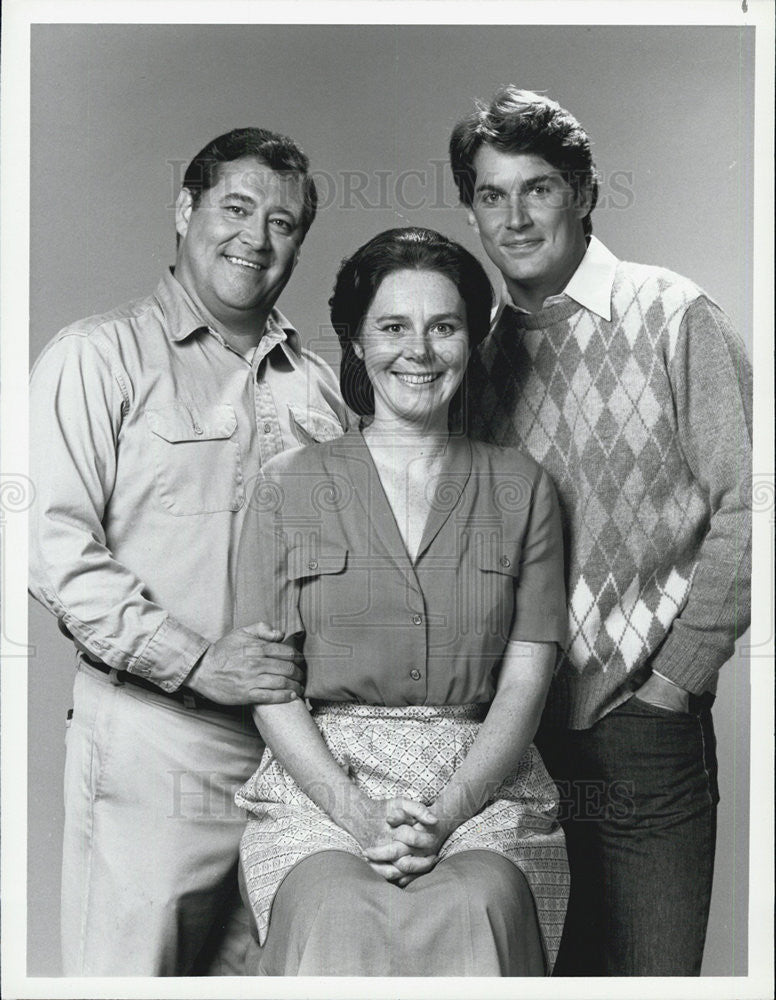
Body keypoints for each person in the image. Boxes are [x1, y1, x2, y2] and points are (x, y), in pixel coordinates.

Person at [28, 127, 350, 976]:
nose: (256, 236)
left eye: (282, 223)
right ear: (185, 210)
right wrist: (199, 660)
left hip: (291, 763)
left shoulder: (317, 387)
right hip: (151, 743)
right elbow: (51, 551)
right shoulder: (97, 358)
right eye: (236, 208)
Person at [449, 87, 753, 976]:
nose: (514, 216)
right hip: (507, 734)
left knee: (645, 979)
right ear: (471, 208)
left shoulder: (673, 314)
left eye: (537, 189)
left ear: (583, 192)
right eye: (491, 195)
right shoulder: (477, 352)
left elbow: (755, 500)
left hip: (641, 727)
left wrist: (676, 681)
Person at [234, 227, 570, 976]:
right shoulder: (287, 485)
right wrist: (357, 816)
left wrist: (445, 816)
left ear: (472, 339)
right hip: (321, 784)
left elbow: (524, 686)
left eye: (443, 326)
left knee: (480, 905)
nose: (418, 349)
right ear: (356, 341)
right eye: (392, 326)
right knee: (334, 910)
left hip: (482, 786)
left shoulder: (525, 490)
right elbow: (268, 687)